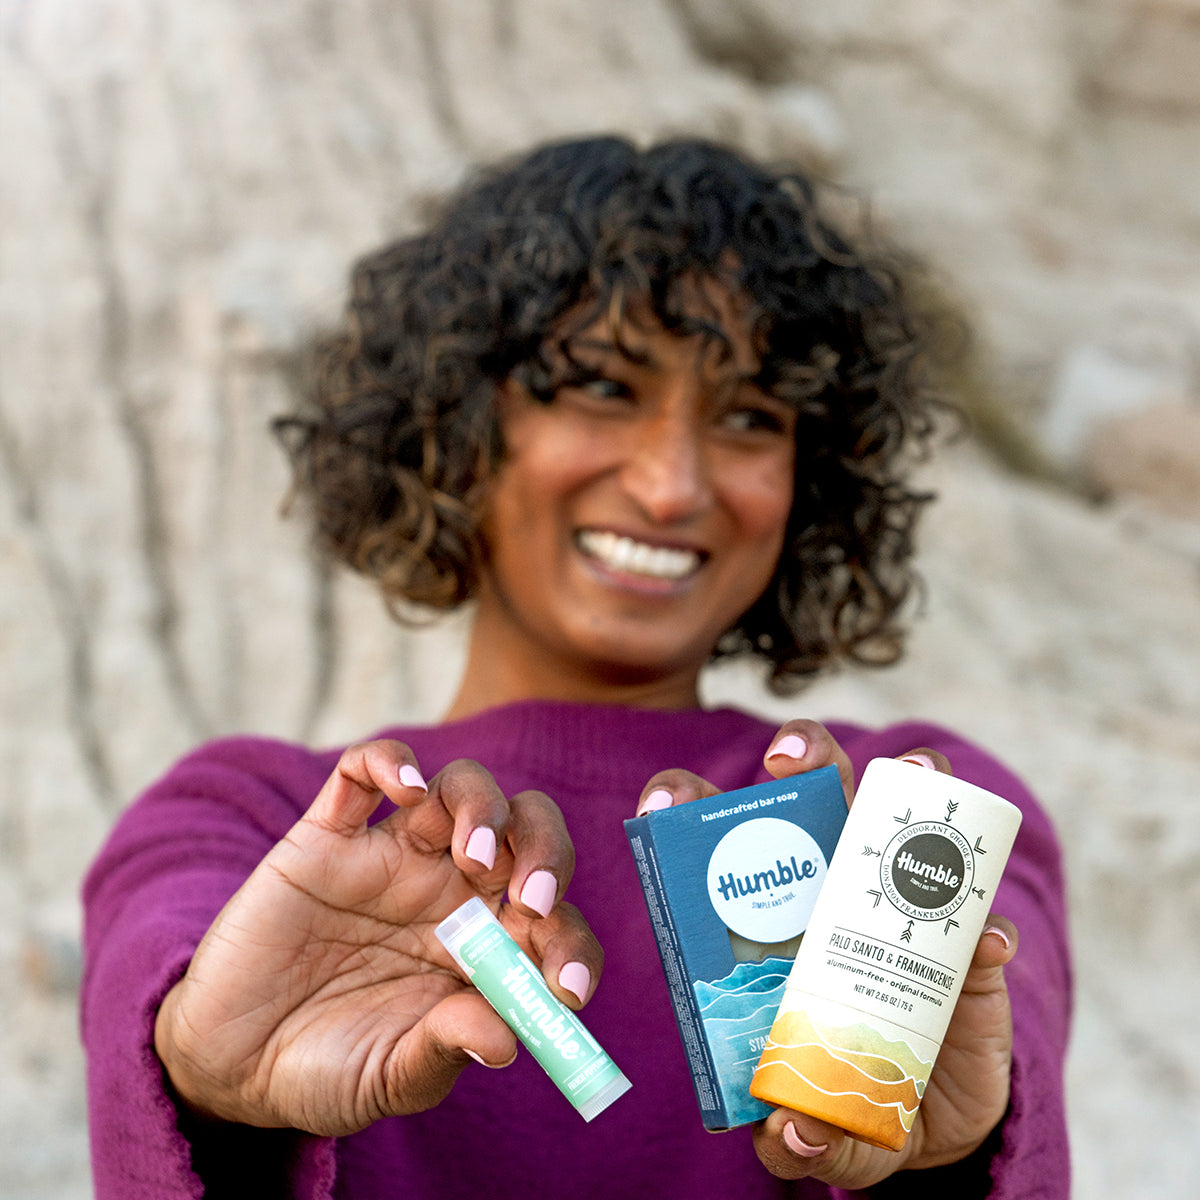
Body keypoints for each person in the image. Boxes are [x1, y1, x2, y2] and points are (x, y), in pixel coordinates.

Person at [81, 135, 1072, 1198]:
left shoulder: (910, 815)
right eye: (601, 386)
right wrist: (208, 1070)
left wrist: (945, 1156)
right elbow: (165, 968)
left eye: (749, 417)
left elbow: (1001, 1046)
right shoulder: (242, 816)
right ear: (456, 422)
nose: (669, 486)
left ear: (811, 479)